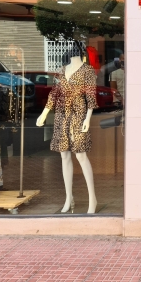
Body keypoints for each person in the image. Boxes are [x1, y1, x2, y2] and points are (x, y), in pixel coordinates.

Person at [36, 45, 99, 214]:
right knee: (64, 155)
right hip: (62, 115)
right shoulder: (62, 70)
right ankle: (68, 197)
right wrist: (44, 113)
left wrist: (88, 118)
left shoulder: (87, 70)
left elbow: (90, 95)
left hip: (79, 114)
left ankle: (92, 198)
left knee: (81, 155)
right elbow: (54, 94)